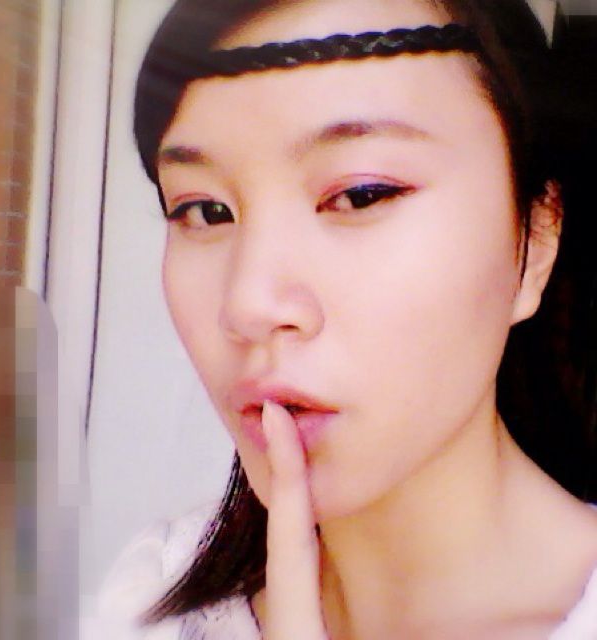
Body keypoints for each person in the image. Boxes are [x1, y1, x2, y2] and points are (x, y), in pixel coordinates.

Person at [94, 0, 597, 637]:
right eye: (205, 210)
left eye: (361, 194)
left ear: (537, 239)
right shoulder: (148, 603)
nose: (248, 306)